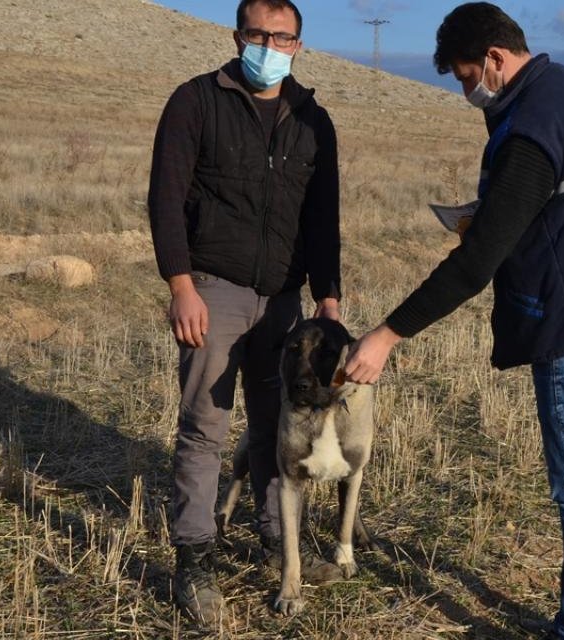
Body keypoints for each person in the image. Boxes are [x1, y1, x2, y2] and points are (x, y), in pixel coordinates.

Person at [343, 3, 564, 639]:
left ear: (495, 58)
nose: (468, 90)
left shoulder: (529, 128)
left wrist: (386, 335)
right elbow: (559, 201)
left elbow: (474, 267)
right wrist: (496, 212)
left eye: (467, 76)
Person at [146, 0, 344, 625]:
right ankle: (195, 559)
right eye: (258, 33)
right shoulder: (195, 101)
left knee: (274, 429)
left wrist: (329, 296)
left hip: (285, 303)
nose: (269, 45)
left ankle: (274, 539)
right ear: (237, 36)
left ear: (299, 45)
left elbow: (323, 217)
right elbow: (166, 197)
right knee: (205, 427)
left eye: (282, 36)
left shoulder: (314, 120)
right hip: (214, 289)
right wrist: (181, 284)